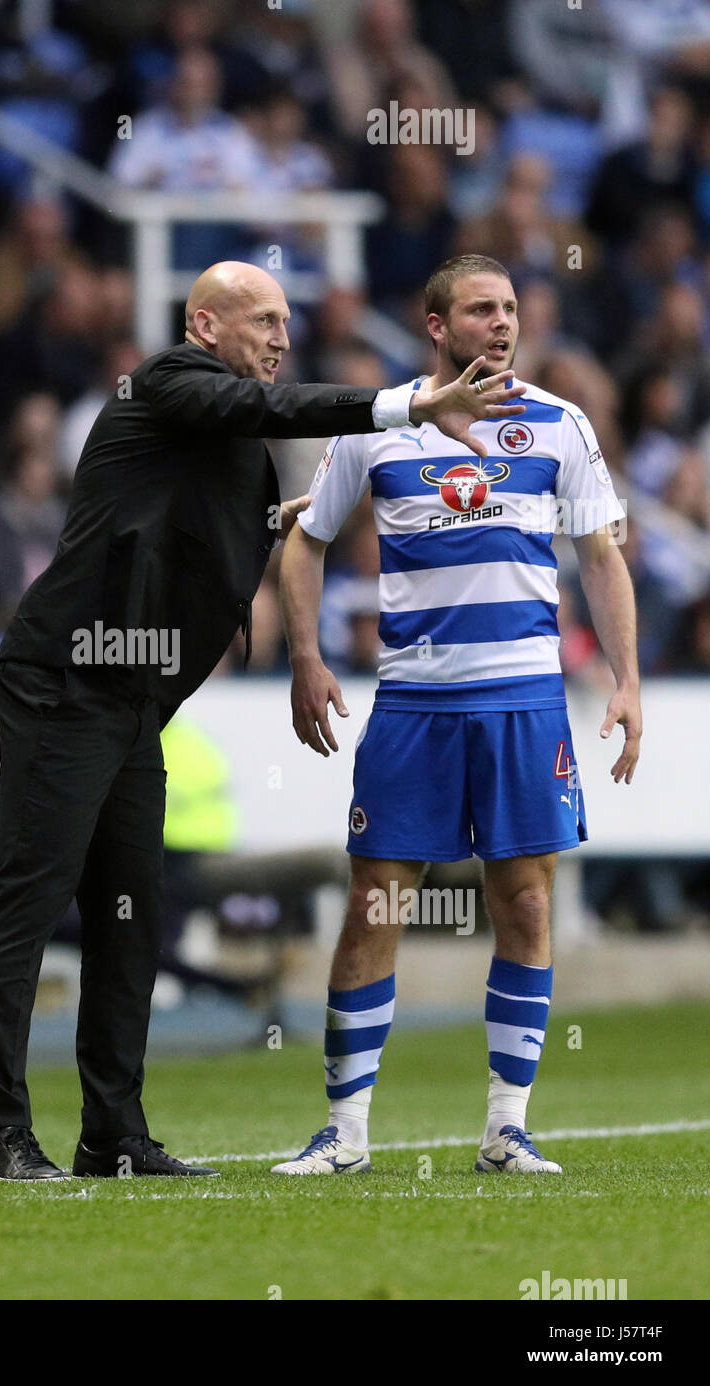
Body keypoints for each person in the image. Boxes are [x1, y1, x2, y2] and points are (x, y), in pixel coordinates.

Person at [0, 260, 527, 1182]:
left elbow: (201, 515)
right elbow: (251, 414)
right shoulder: (168, 383)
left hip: (131, 699)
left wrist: (282, 516)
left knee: (132, 915)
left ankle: (111, 1134)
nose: (281, 335)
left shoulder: (231, 437)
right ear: (204, 326)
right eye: (261, 318)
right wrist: (408, 407)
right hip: (67, 677)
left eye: (286, 320)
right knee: (33, 895)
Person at [273, 254, 641, 1178]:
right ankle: (346, 1133)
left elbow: (601, 556)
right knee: (377, 902)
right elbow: (305, 540)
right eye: (482, 310)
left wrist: (628, 679)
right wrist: (307, 656)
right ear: (436, 326)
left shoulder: (561, 426)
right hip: (413, 705)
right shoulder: (383, 423)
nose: (503, 323)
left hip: (524, 702)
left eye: (510, 308)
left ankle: (506, 1127)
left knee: (523, 903)